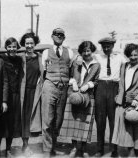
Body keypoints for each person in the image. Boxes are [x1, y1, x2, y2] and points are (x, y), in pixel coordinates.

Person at [41, 28, 80, 156]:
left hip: (63, 88)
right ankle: (47, 150)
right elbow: (43, 71)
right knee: (47, 119)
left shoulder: (69, 52)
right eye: (56, 35)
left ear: (64, 37)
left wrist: (72, 81)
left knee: (58, 120)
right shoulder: (46, 52)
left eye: (61, 35)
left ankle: (53, 145)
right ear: (52, 36)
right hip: (49, 86)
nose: (59, 36)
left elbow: (73, 68)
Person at [112, 43, 138, 157]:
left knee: (136, 130)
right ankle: (131, 152)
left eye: (135, 55)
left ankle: (134, 153)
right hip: (123, 102)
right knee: (126, 131)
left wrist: (137, 99)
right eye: (131, 55)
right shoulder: (123, 66)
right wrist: (118, 97)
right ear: (128, 55)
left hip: (135, 104)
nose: (133, 57)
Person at [65, 41, 100, 157]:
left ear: (92, 51)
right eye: (84, 51)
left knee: (86, 123)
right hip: (75, 94)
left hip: (88, 96)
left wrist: (89, 85)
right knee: (74, 122)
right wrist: (73, 82)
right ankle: (74, 148)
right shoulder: (76, 62)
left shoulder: (96, 65)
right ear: (81, 52)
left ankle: (84, 149)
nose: (86, 53)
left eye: (88, 51)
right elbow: (69, 75)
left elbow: (96, 81)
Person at [93, 37, 126, 157]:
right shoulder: (96, 57)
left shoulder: (120, 57)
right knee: (100, 121)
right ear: (101, 47)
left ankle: (114, 150)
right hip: (100, 88)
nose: (106, 48)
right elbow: (83, 58)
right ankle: (99, 149)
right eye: (104, 46)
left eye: (109, 46)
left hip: (114, 87)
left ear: (113, 46)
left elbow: (130, 65)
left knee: (114, 121)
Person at [0, 37, 23, 157]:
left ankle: (8, 150)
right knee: (0, 124)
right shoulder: (1, 59)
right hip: (3, 95)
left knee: (11, 124)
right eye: (9, 47)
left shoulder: (19, 60)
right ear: (6, 48)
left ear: (17, 48)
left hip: (15, 96)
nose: (12, 49)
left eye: (14, 47)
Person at [19, 32, 44, 155]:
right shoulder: (20, 57)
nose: (29, 46)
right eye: (27, 43)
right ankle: (25, 145)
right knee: (24, 118)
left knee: (31, 118)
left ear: (35, 44)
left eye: (31, 43)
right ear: (24, 44)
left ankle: (48, 146)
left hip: (35, 92)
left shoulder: (40, 57)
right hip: (23, 92)